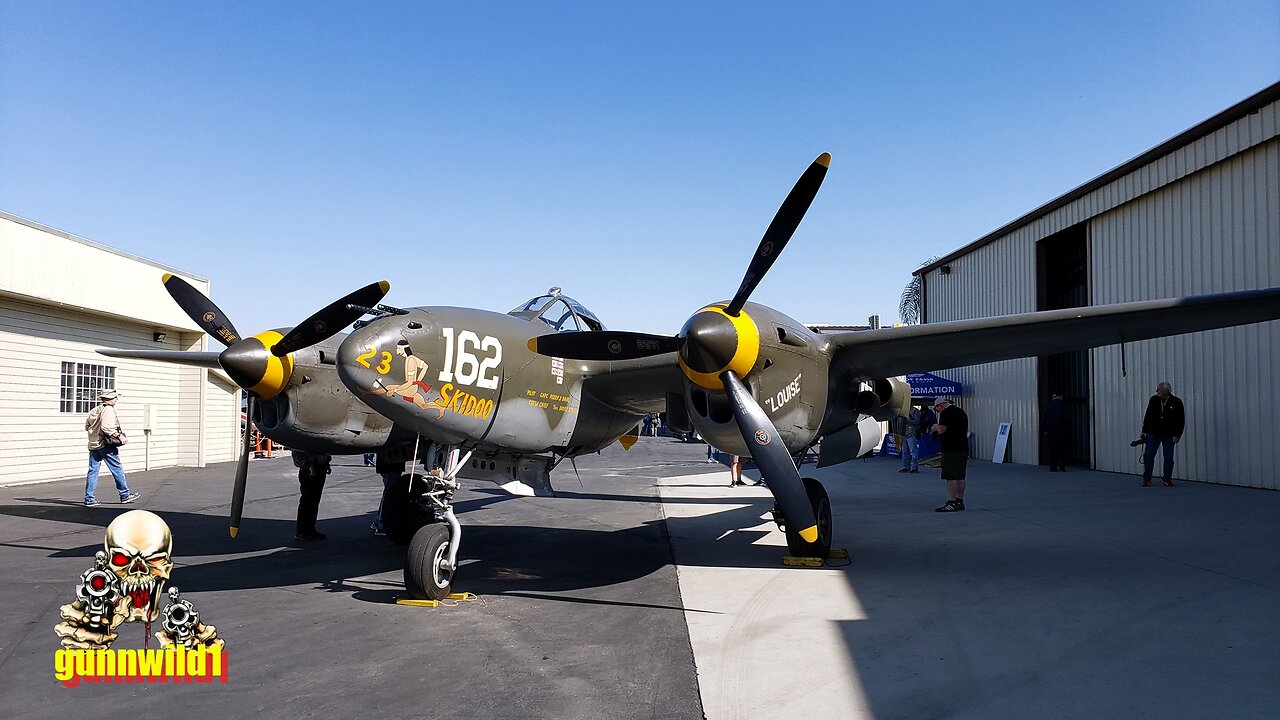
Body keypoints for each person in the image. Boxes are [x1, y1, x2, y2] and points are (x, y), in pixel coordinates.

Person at [83, 390, 140, 507]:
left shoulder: (95, 410)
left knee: (93, 471)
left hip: (93, 445)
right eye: (114, 397)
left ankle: (89, 498)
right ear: (109, 399)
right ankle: (125, 494)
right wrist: (119, 435)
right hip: (105, 445)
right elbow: (106, 427)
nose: (116, 399)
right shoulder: (108, 409)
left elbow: (87, 426)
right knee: (117, 469)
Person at [1139, 381, 1184, 487]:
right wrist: (1144, 430)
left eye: (1158, 389)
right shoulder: (1154, 400)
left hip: (1169, 434)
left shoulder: (1176, 402)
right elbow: (1148, 416)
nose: (1156, 391)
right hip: (1153, 433)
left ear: (1165, 390)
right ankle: (1147, 478)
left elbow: (1180, 420)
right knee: (1149, 455)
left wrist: (1177, 434)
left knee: (1168, 457)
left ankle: (1167, 479)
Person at [931, 398, 969, 512]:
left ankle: (952, 502)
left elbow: (942, 429)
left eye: (937, 409)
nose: (937, 411)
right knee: (960, 476)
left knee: (950, 476)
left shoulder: (946, 413)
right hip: (962, 447)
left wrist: (935, 427)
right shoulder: (961, 412)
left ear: (940, 406)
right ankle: (959, 501)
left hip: (951, 449)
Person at [293, 451, 332, 540]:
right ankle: (302, 532)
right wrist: (309, 466)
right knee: (308, 500)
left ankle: (310, 529)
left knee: (314, 501)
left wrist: (326, 464)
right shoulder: (303, 440)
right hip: (309, 469)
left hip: (319, 467)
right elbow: (300, 452)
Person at [371, 453, 406, 536]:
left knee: (388, 493)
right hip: (391, 466)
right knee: (389, 495)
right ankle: (381, 524)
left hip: (389, 466)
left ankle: (378, 521)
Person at [1042, 393, 1070, 472]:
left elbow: (1044, 418)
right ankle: (1061, 461)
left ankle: (1052, 466)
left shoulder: (1048, 406)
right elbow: (1067, 417)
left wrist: (1044, 429)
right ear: (1060, 397)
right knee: (1061, 447)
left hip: (1050, 430)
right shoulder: (1063, 405)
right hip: (1061, 429)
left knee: (1052, 448)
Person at [897, 405, 923, 474]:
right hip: (903, 432)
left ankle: (914, 467)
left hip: (911, 432)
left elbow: (917, 421)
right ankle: (906, 466)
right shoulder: (901, 410)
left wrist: (908, 420)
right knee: (905, 451)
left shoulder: (915, 411)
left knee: (913, 451)